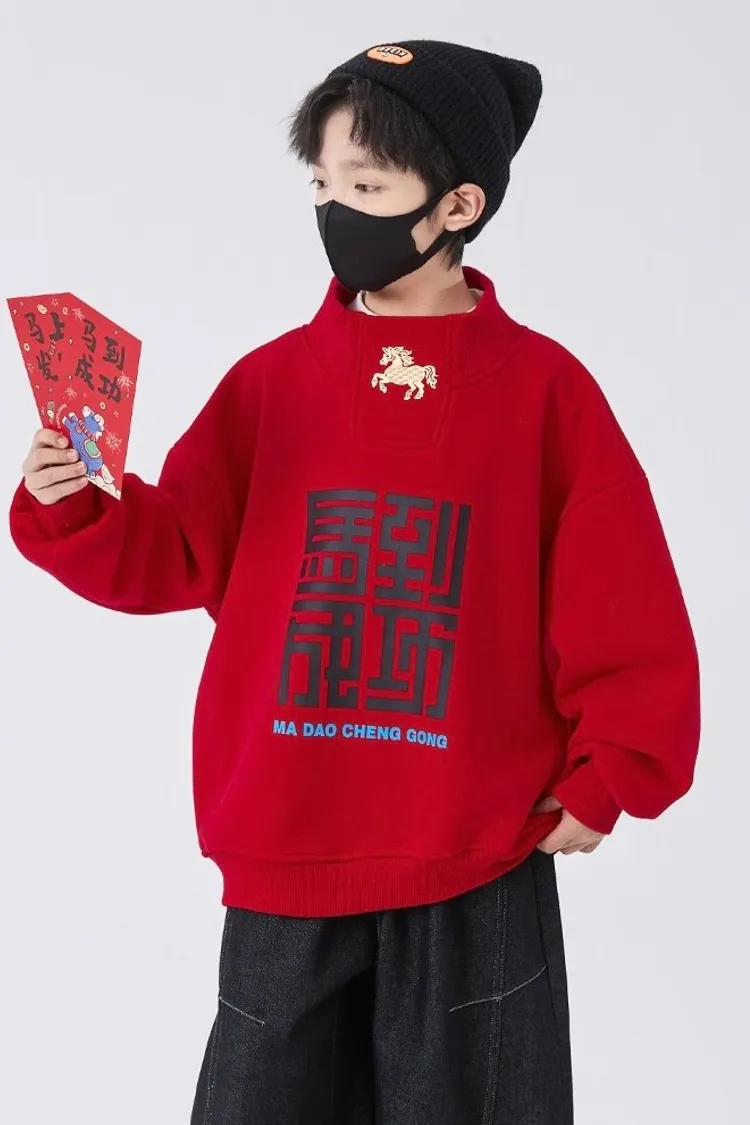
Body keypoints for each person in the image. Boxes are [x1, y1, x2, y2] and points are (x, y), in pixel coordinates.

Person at [9, 39, 701, 1125]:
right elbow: (177, 547)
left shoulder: (546, 394)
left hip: (478, 847)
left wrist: (614, 767)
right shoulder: (273, 384)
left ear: (460, 203)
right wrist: (77, 503)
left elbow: (622, 595)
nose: (337, 212)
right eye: (323, 185)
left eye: (368, 188)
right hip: (287, 840)